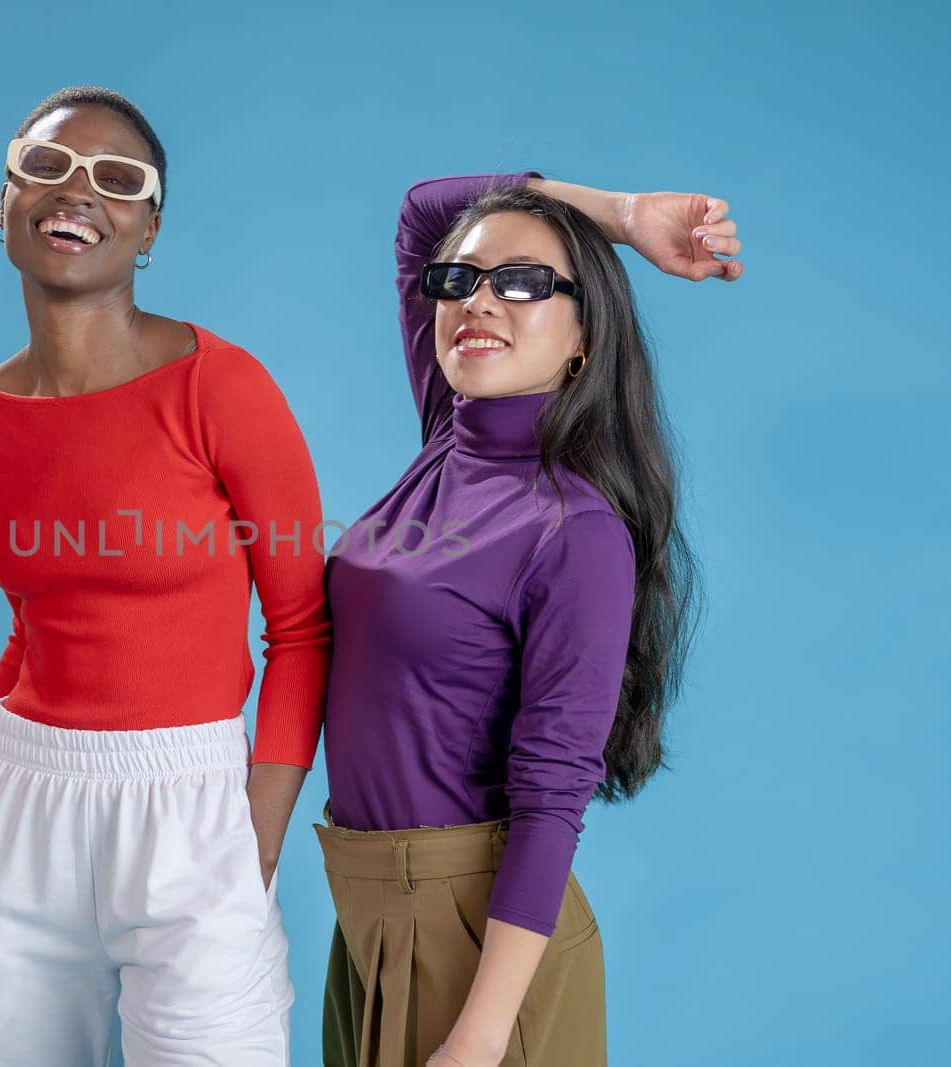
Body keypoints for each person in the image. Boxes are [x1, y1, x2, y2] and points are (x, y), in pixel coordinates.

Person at [0, 86, 328, 1066]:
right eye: (48, 165)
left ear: (148, 228)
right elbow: (34, 616)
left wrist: (253, 837)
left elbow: (305, 626)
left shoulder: (219, 385)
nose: (77, 192)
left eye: (116, 179)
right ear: (6, 201)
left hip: (189, 805)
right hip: (15, 808)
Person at [314, 176, 741, 1066]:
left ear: (585, 334)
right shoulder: (450, 437)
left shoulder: (575, 530)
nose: (480, 299)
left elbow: (551, 801)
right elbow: (426, 213)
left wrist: (478, 1037)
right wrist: (622, 215)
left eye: (525, 283)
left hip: (479, 949)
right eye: (463, 281)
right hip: (365, 917)